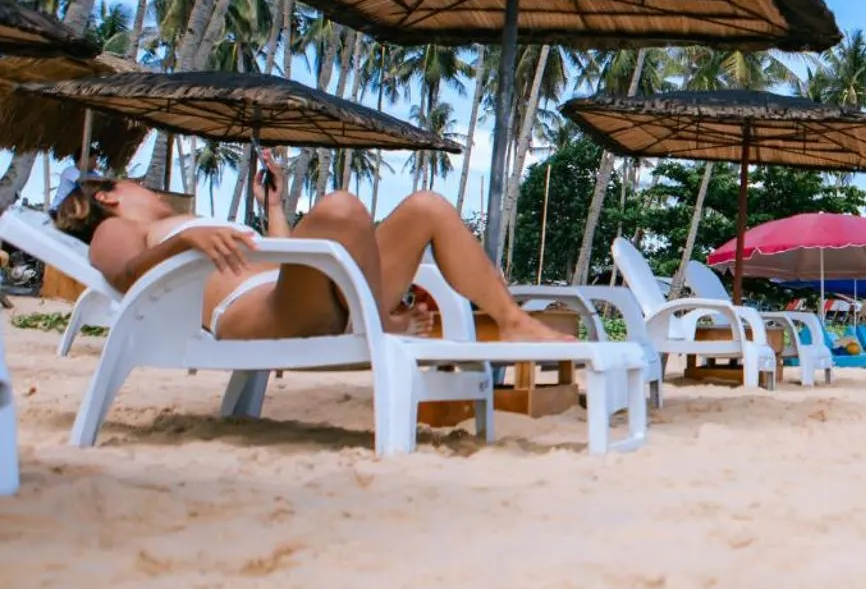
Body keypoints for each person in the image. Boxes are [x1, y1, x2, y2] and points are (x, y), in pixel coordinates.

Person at [52, 156, 570, 344]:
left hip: (299, 287)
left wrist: (273, 208)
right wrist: (185, 240)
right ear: (108, 196)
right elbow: (122, 275)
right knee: (342, 207)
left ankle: (512, 319)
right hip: (252, 311)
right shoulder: (115, 230)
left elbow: (282, 257)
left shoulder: (183, 221)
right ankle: (378, 321)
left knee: (427, 205)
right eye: (135, 182)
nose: (150, 186)